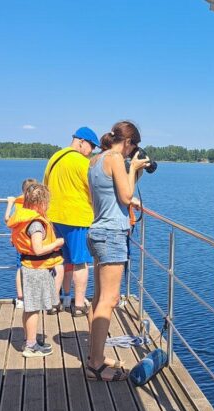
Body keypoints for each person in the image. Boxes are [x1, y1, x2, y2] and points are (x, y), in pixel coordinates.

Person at [85, 121, 148, 381]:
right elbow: (126, 196)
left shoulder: (96, 160)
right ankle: (95, 365)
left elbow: (108, 194)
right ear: (128, 142)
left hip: (98, 231)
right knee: (109, 301)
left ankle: (95, 356)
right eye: (133, 147)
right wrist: (132, 168)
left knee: (99, 299)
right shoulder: (113, 158)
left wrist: (132, 171)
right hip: (111, 235)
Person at [43, 127, 98, 317]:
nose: (92, 150)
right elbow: (93, 192)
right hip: (78, 218)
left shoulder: (54, 158)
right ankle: (80, 305)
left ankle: (53, 302)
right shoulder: (84, 163)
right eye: (91, 146)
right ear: (81, 141)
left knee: (59, 260)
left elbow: (45, 187)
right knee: (81, 262)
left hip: (54, 217)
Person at [5, 183, 64, 357]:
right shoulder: (36, 224)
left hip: (27, 267)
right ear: (40, 203)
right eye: (47, 203)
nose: (48, 206)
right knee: (33, 309)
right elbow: (38, 249)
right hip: (35, 270)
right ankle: (31, 346)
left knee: (29, 308)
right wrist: (57, 243)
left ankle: (28, 339)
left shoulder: (23, 217)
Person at [4, 178, 45, 309]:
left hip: (21, 244)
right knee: (38, 267)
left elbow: (7, 219)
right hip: (34, 242)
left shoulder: (19, 202)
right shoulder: (38, 204)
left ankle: (21, 298)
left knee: (20, 268)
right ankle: (38, 297)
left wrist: (10, 203)